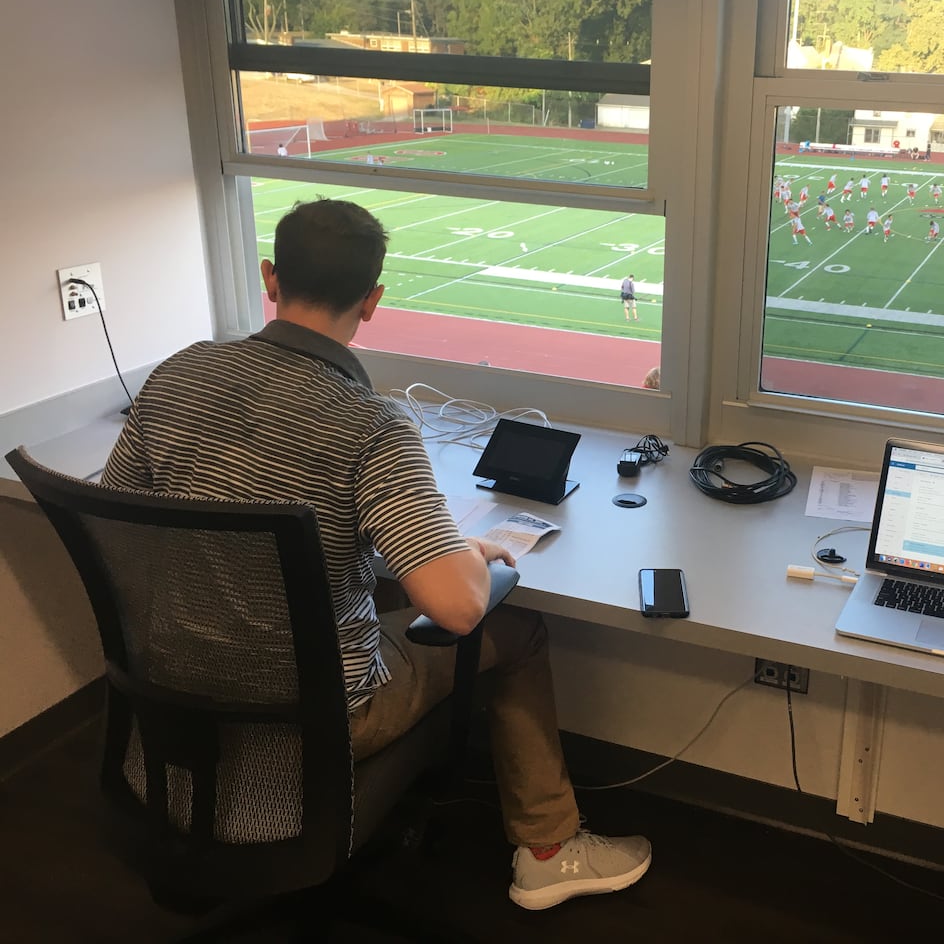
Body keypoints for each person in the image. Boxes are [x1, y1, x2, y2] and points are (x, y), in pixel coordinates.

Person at [99, 199, 651, 911]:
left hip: (173, 692)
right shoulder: (370, 424)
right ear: (373, 301)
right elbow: (455, 608)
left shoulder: (181, 373)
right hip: (316, 714)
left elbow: (122, 518)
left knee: (379, 589)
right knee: (517, 630)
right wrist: (466, 554)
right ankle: (549, 849)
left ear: (271, 278)